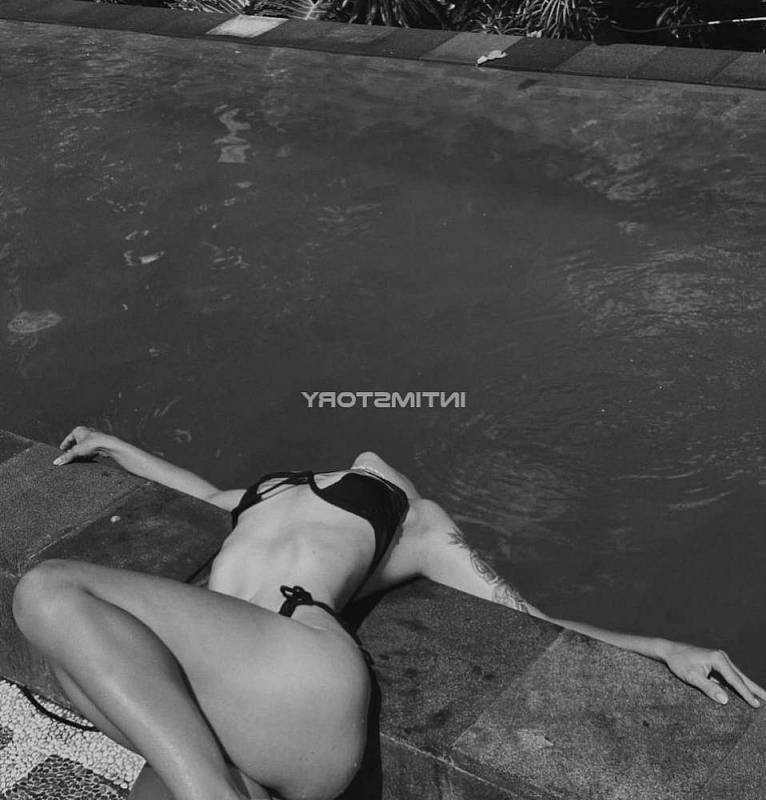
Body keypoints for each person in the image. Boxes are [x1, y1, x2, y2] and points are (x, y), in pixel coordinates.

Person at [11, 426, 766, 800]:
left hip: (296, 677)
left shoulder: (419, 527)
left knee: (48, 591)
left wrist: (661, 646)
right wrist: (120, 448)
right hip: (224, 695)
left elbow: (527, 621)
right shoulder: (263, 496)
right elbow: (203, 493)